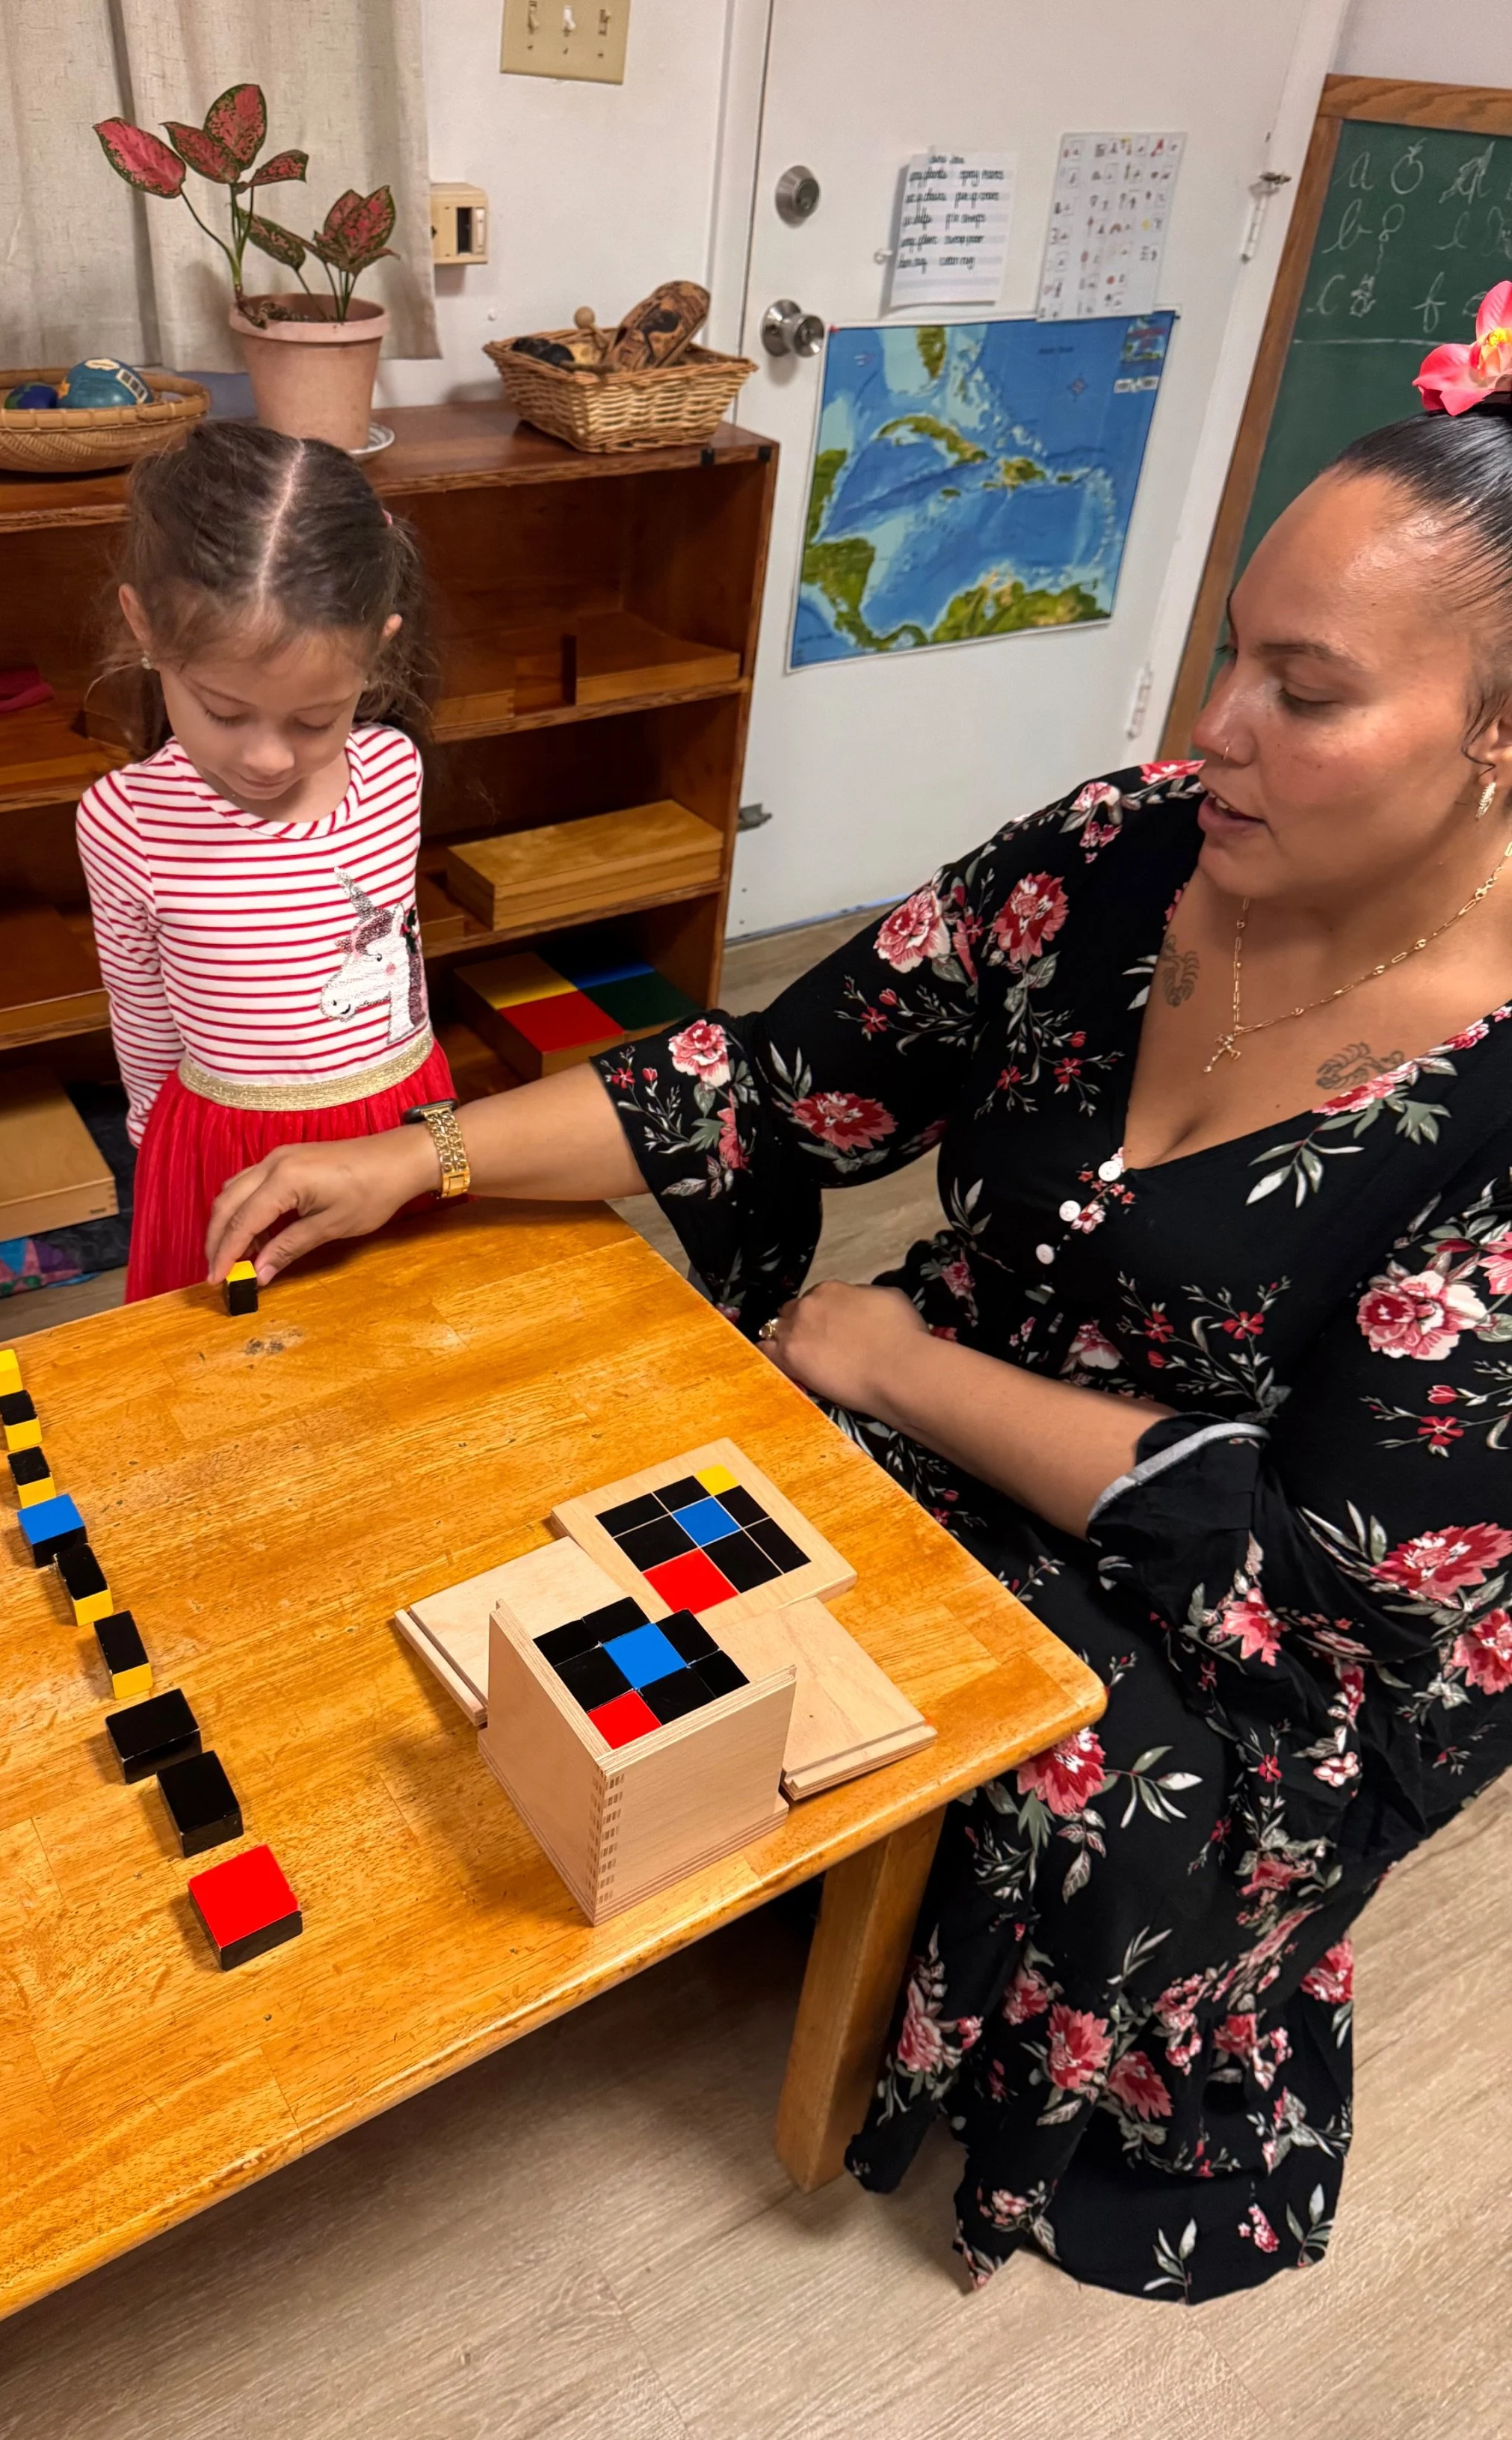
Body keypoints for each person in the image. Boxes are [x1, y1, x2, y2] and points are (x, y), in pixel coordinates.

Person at [200, 351, 1512, 2300]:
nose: (1214, 728)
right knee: (619, 1506)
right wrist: (430, 1151)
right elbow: (779, 1071)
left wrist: (898, 1366)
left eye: (1304, 695)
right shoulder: (1136, 843)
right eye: (1233, 655)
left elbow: (1318, 1569)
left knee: (1065, 1775)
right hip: (974, 1399)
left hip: (1261, 1634)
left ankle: (937, 2034)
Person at [77, 422, 451, 1299]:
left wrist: (430, 1133)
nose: (270, 759)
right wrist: (156, 1157)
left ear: (377, 649)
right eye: (223, 710)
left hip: (397, 1119)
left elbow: (401, 959)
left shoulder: (396, 769)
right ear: (144, 626)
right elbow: (137, 1009)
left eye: (315, 719)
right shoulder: (127, 819)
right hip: (226, 1144)